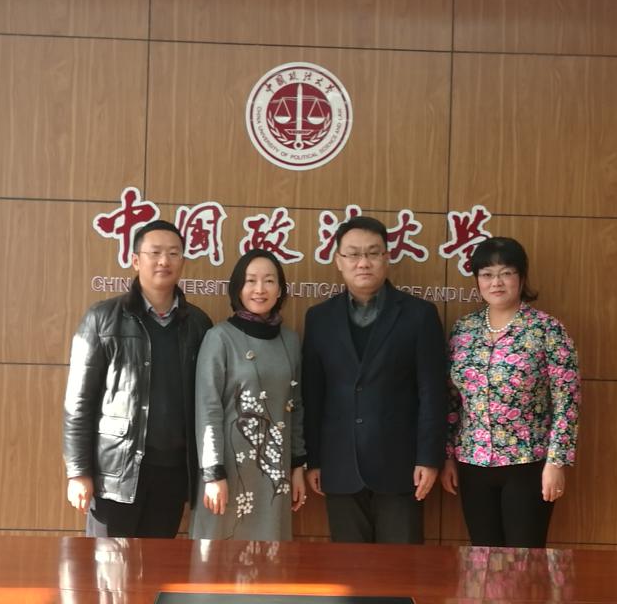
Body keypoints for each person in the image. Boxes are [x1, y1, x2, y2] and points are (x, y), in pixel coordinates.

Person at [62, 219, 213, 537]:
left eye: (173, 253)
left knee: (156, 564)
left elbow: (207, 403)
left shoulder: (198, 324)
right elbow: (78, 402)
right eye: (154, 252)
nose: (164, 261)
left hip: (173, 474)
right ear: (135, 260)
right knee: (108, 564)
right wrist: (78, 472)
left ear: (183, 261)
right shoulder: (102, 318)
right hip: (115, 472)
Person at [302, 215, 447, 544]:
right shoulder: (319, 318)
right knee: (348, 567)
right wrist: (315, 459)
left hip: (401, 465)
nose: (363, 262)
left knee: (400, 567)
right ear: (338, 260)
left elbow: (432, 393)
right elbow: (313, 395)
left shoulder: (419, 315)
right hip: (339, 464)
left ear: (386, 257)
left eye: (372, 253)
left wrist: (428, 458)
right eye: (353, 254)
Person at [441, 236, 580, 548]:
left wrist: (556, 463)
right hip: (472, 462)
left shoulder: (546, 329)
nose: (496, 282)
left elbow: (567, 401)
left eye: (506, 273)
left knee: (524, 558)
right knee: (482, 555)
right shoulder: (463, 330)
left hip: (527, 464)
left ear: (521, 277)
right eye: (487, 274)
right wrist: (448, 456)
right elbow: (452, 401)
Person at [191, 249, 306, 540]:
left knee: (270, 553)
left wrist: (297, 466)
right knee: (219, 554)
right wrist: (213, 473)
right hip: (228, 469)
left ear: (280, 289)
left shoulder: (290, 340)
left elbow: (296, 406)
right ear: (237, 288)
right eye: (251, 280)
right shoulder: (219, 338)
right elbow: (208, 409)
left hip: (275, 470)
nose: (259, 289)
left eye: (269, 281)